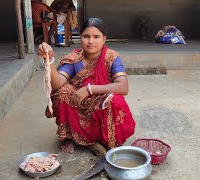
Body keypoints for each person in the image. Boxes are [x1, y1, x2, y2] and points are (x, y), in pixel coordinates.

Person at [37, 18, 136, 155]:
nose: (91, 41)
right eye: (86, 36)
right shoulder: (74, 58)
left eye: (96, 37)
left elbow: (123, 87)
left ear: (104, 39)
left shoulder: (111, 57)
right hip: (78, 103)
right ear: (80, 38)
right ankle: (70, 136)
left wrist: (90, 89)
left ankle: (104, 140)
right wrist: (50, 59)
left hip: (99, 104)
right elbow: (57, 84)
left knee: (115, 101)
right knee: (61, 93)